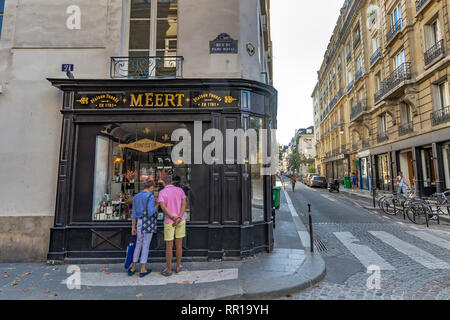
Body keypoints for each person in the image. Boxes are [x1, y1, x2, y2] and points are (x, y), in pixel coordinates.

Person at [158, 175, 187, 276]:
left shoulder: (162, 192)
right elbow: (184, 204)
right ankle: (178, 267)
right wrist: (179, 217)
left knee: (169, 247)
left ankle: (169, 269)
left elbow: (163, 207)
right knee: (179, 245)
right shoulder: (180, 190)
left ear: (164, 183)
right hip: (180, 220)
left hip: (169, 221)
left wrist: (172, 217)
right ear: (172, 182)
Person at [128, 180, 158, 278]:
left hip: (139, 223)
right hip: (147, 223)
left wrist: (133, 227)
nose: (153, 190)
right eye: (153, 188)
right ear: (151, 187)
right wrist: (157, 205)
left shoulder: (136, 196)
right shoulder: (150, 196)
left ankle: (133, 267)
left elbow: (133, 214)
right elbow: (150, 212)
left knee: (138, 244)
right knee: (145, 245)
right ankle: (143, 269)